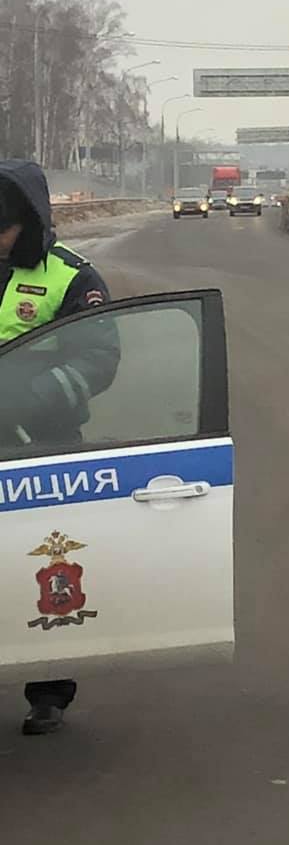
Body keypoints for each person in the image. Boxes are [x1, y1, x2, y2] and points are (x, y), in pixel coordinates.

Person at [0, 159, 118, 735]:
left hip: (42, 444)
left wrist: (31, 399)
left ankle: (48, 690)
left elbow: (99, 359)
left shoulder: (72, 277)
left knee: (48, 565)